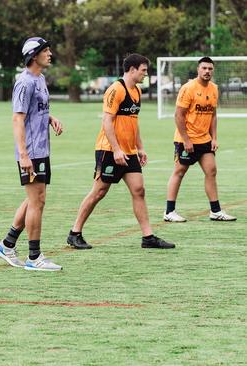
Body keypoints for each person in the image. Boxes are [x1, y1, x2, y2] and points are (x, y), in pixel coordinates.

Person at [66, 53, 175, 250]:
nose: (145, 74)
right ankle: (75, 233)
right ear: (132, 69)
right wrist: (116, 150)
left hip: (129, 151)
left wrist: (139, 147)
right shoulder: (116, 90)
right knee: (99, 192)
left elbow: (134, 122)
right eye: (143, 70)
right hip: (109, 150)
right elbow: (106, 122)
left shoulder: (137, 92)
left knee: (139, 190)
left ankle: (147, 237)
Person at [0, 37, 64, 271]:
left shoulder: (40, 78)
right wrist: (24, 155)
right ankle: (34, 258)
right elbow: (18, 118)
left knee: (36, 198)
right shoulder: (24, 82)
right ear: (34, 55)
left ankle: (7, 244)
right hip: (31, 151)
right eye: (46, 50)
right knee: (37, 201)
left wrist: (50, 118)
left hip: (42, 148)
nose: (50, 53)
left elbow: (36, 110)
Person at [163, 56, 236, 222]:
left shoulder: (214, 89)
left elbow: (213, 115)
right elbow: (178, 115)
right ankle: (169, 212)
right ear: (198, 69)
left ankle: (215, 211)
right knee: (179, 172)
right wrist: (186, 140)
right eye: (204, 68)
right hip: (186, 140)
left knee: (211, 171)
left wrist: (214, 138)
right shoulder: (188, 88)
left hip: (204, 140)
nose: (207, 71)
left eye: (210, 69)